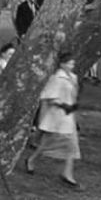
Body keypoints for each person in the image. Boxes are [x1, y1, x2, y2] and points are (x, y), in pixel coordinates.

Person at [25, 52, 81, 188]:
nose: (72, 65)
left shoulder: (73, 78)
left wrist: (72, 106)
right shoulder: (57, 78)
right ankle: (32, 159)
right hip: (57, 115)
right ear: (62, 64)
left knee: (72, 143)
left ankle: (68, 174)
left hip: (68, 115)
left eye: (72, 63)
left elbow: (74, 95)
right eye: (69, 63)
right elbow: (48, 96)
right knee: (49, 142)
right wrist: (61, 104)